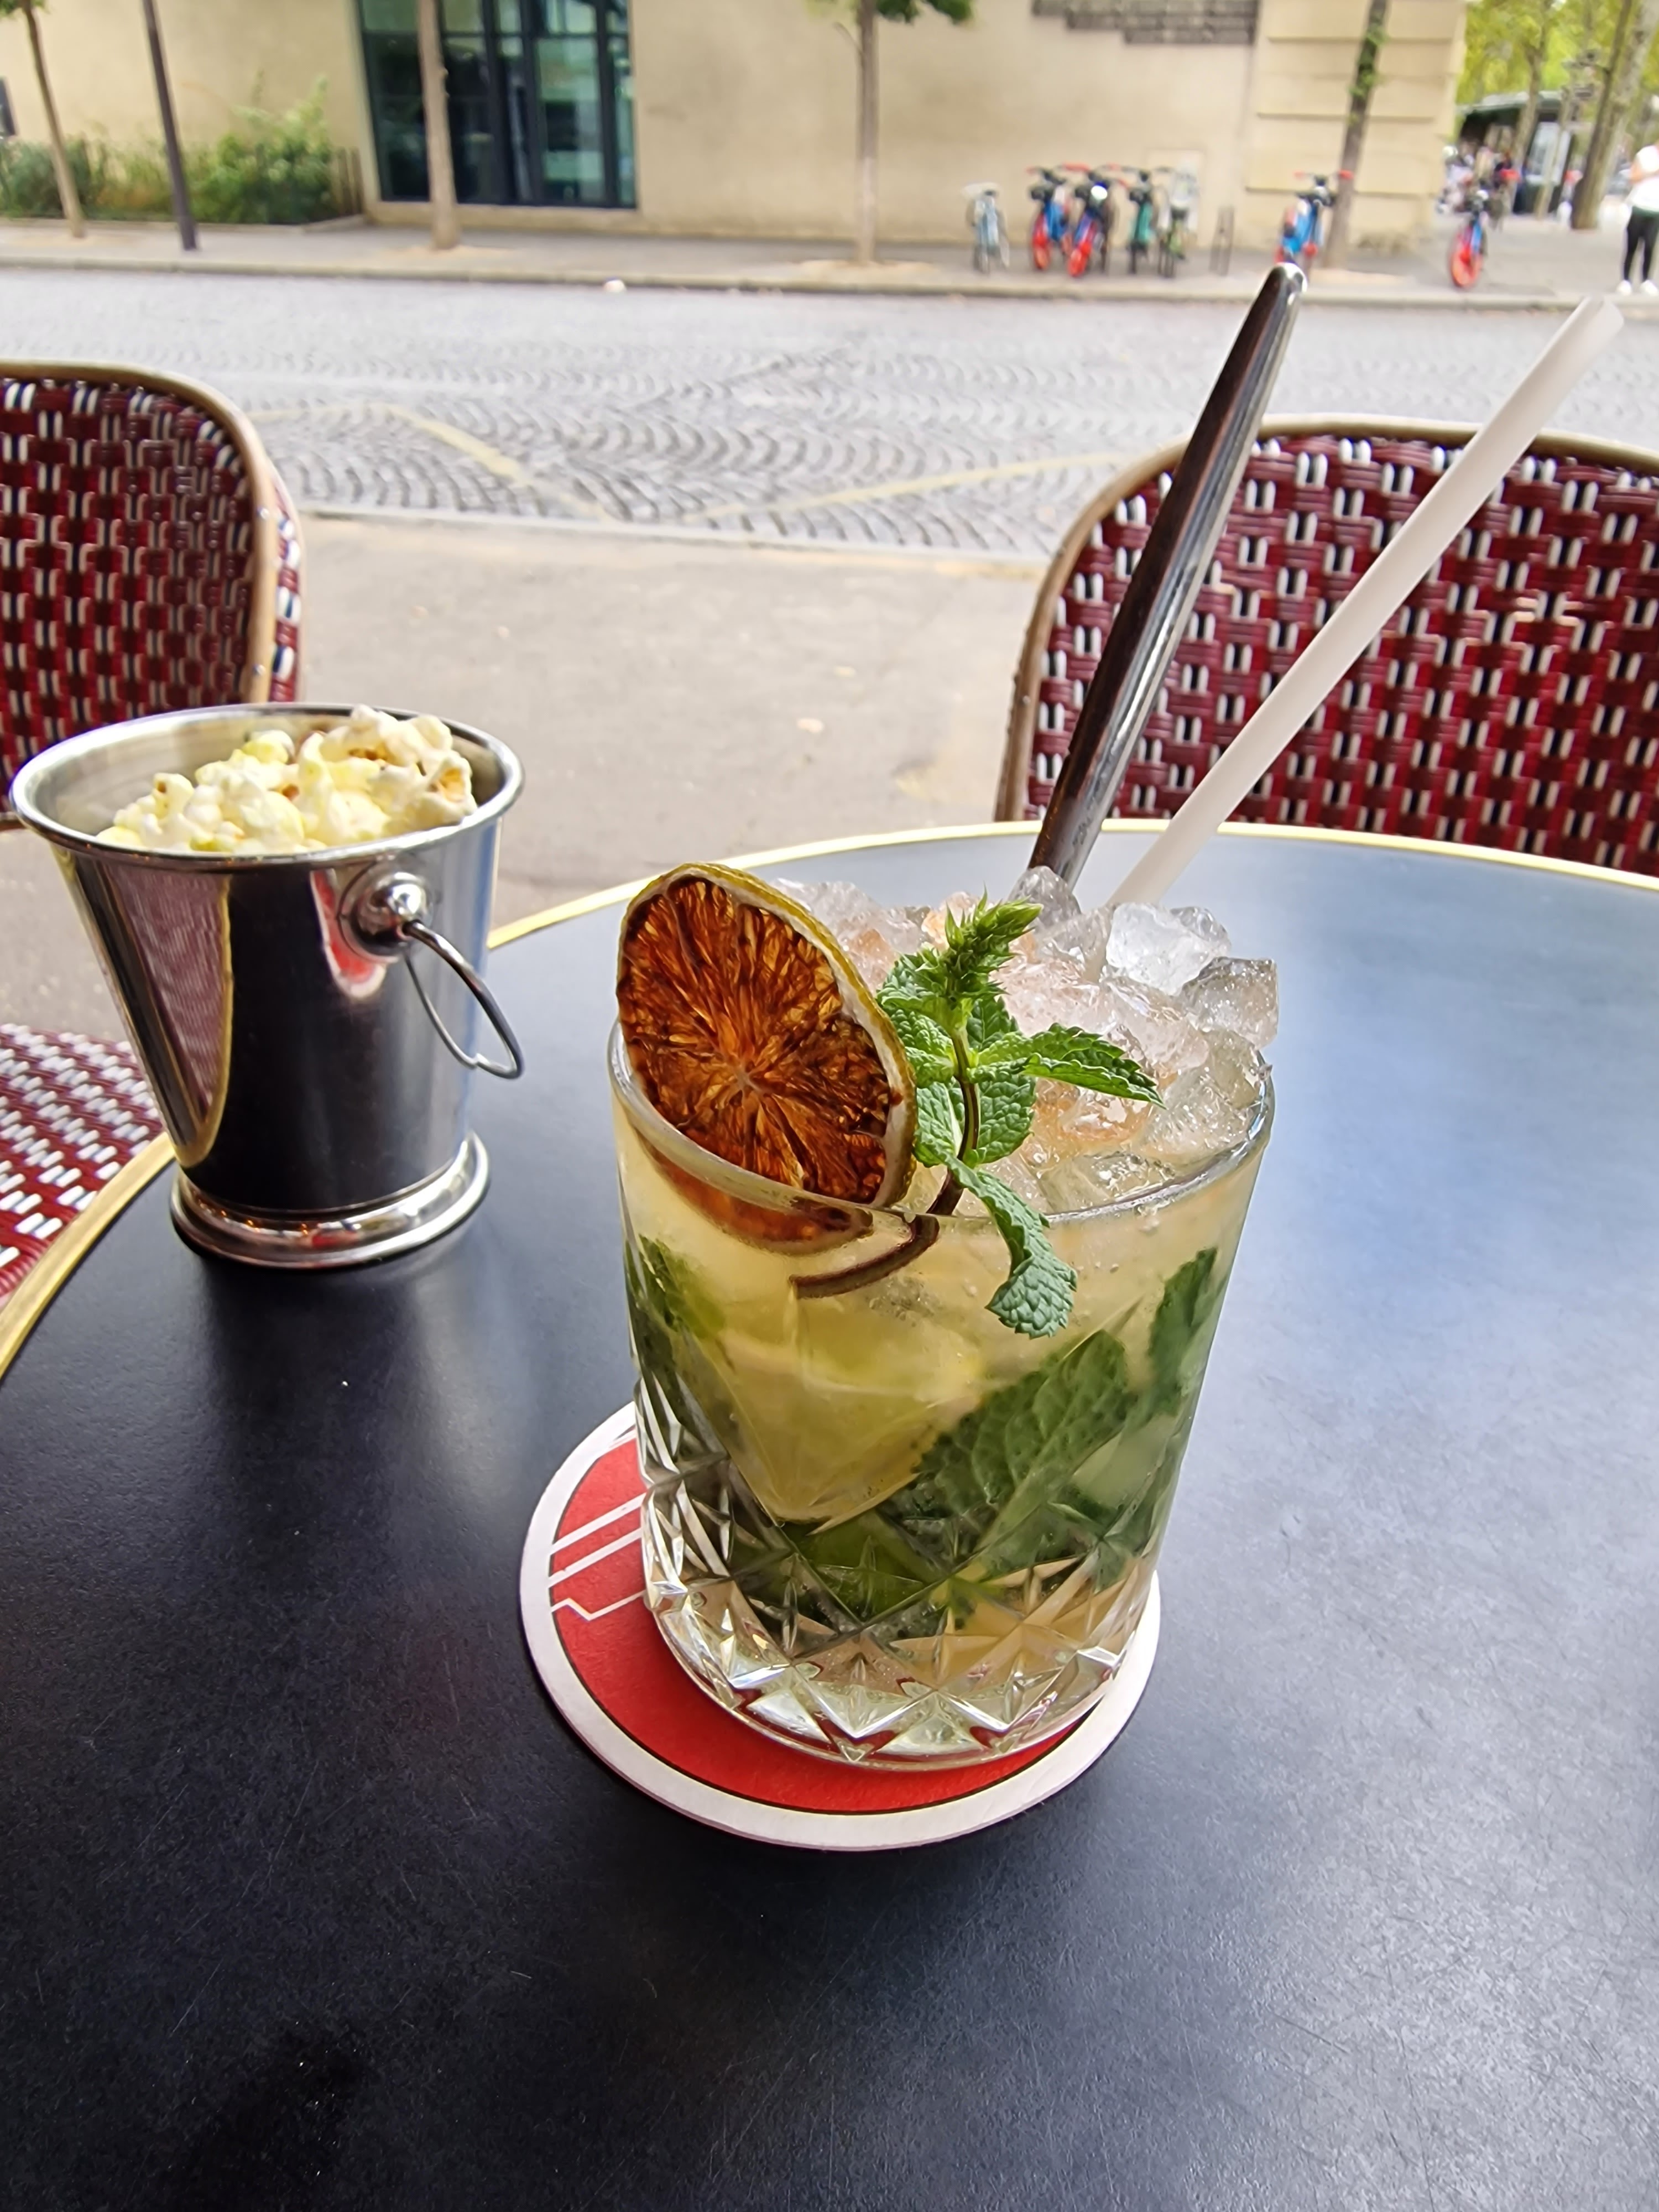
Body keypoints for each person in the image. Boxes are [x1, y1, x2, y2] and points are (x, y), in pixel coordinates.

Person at [1620, 144, 1659, 294]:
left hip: (1656, 209)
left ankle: (1646, 280)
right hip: (1639, 206)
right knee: (1632, 245)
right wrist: (1653, 173)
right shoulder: (1645, 154)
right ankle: (1626, 280)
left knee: (1650, 246)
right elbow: (1633, 177)